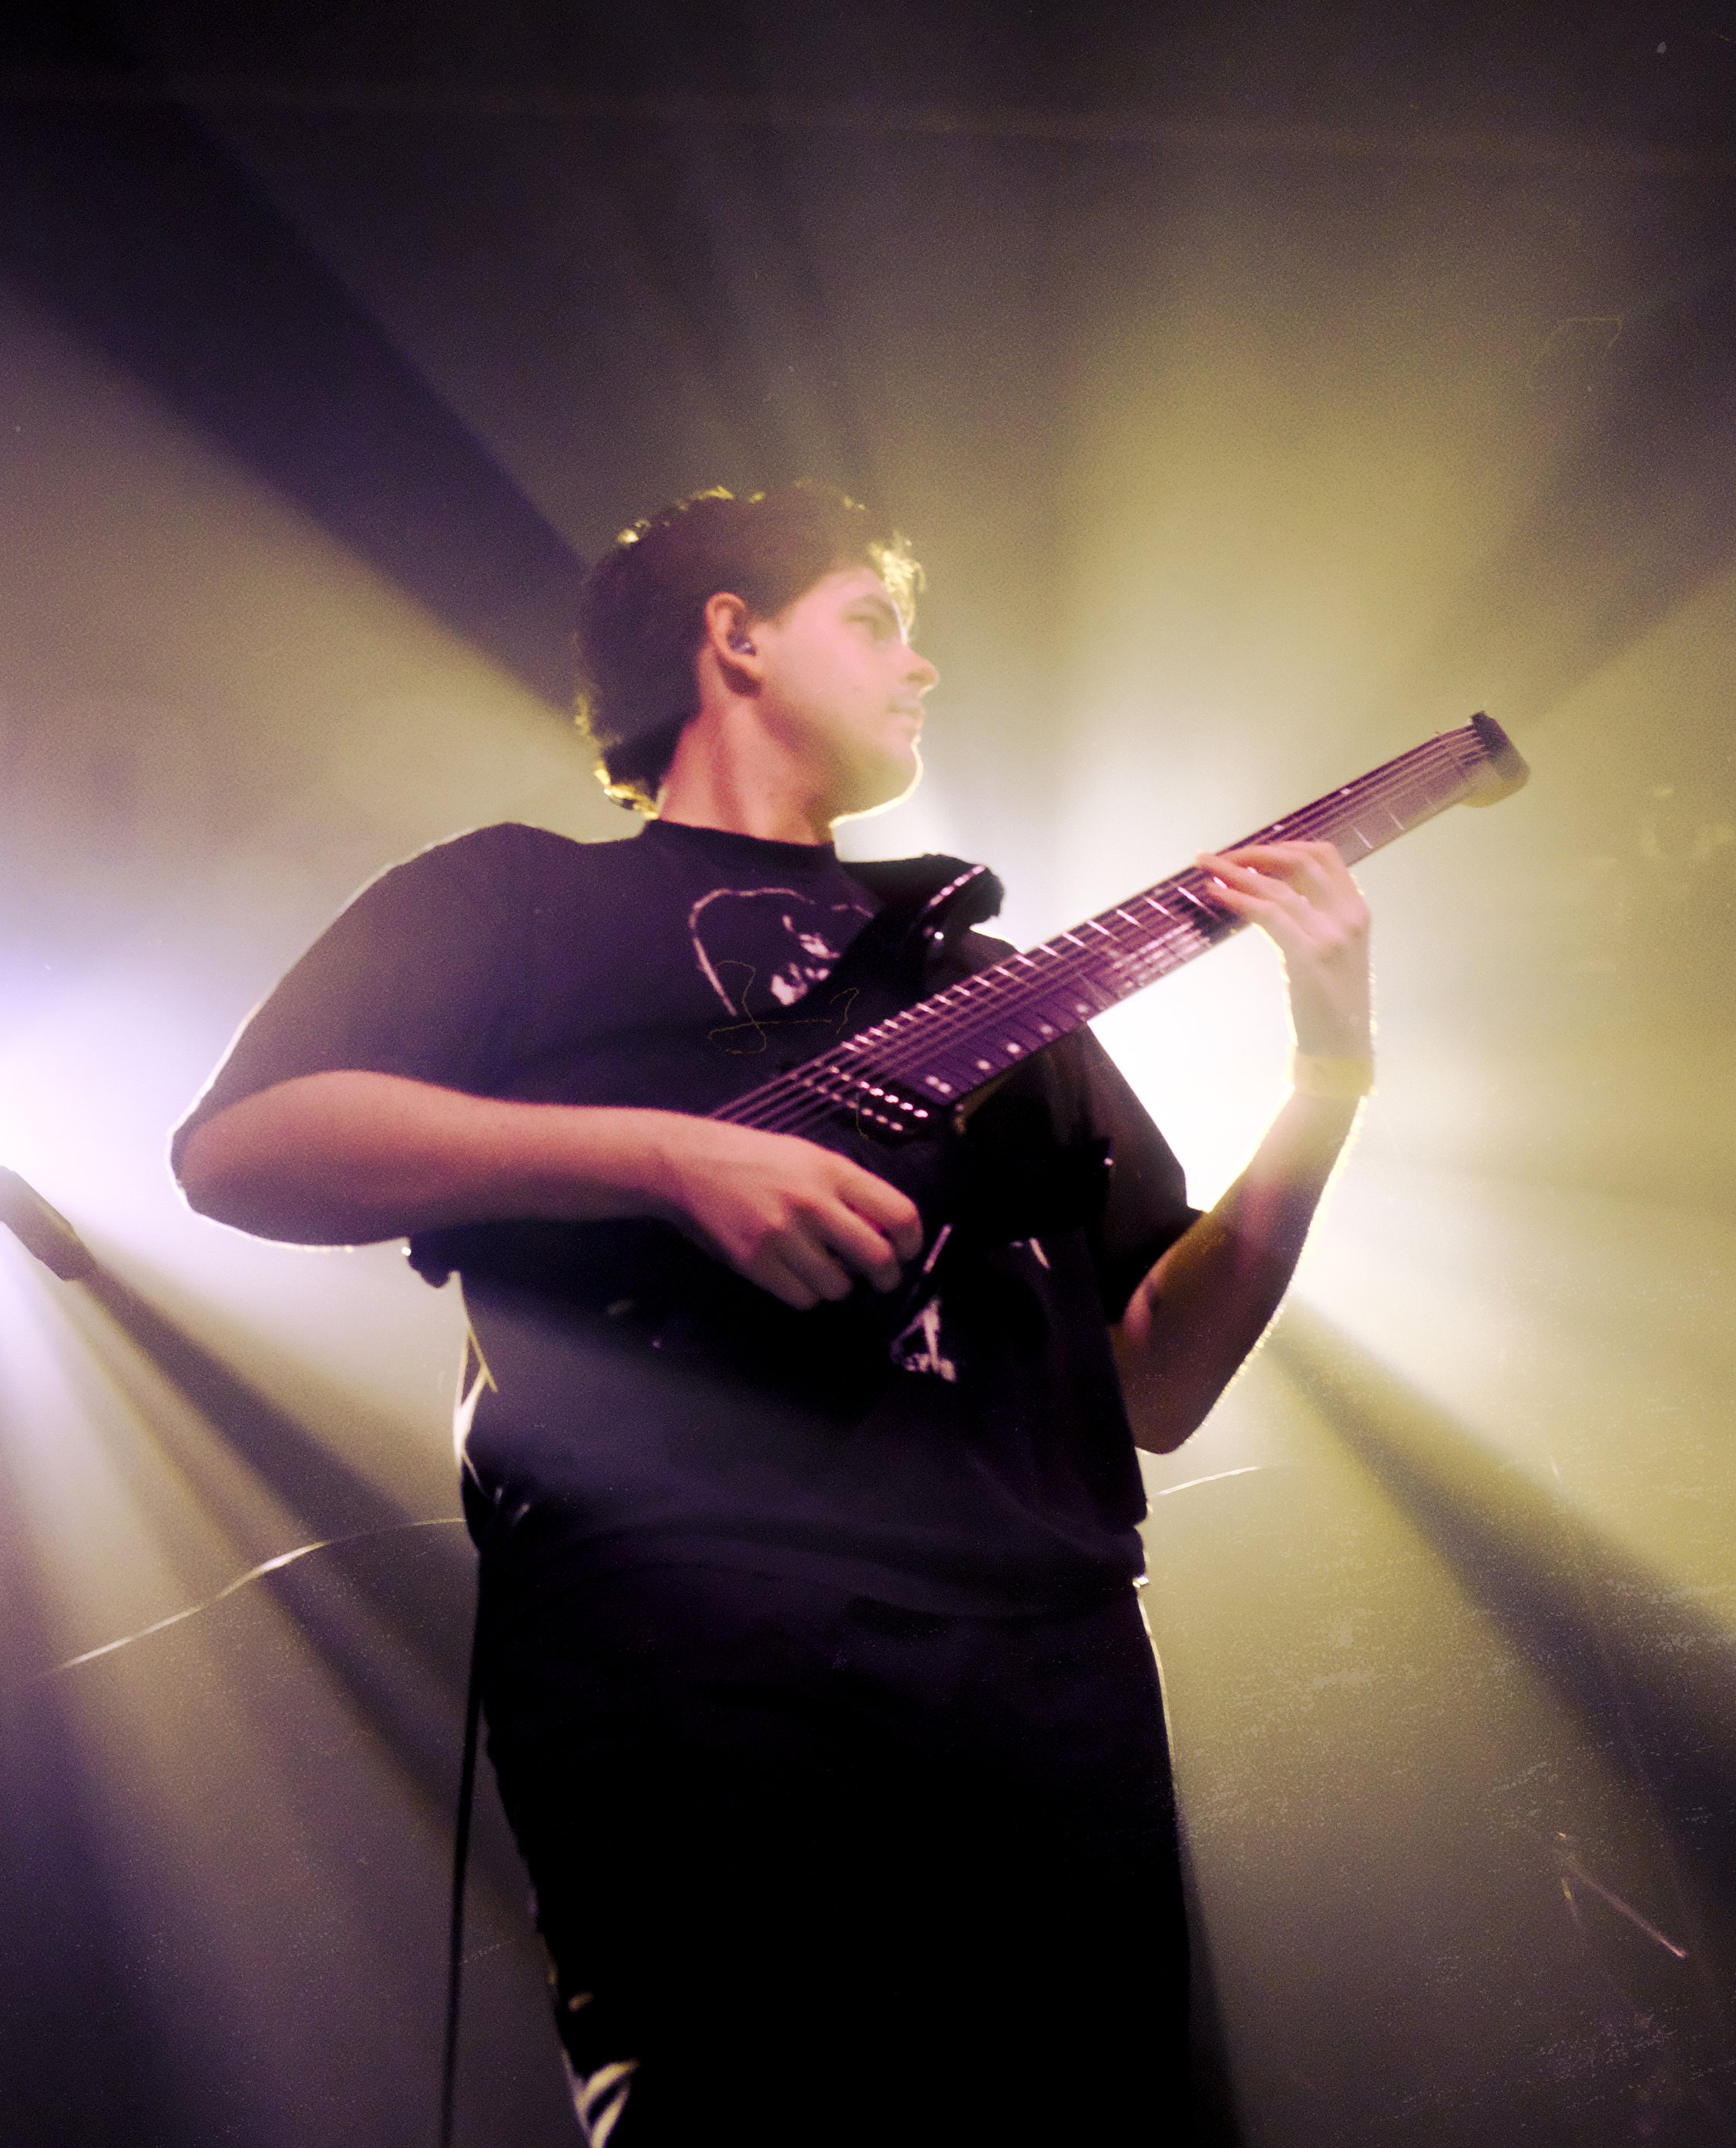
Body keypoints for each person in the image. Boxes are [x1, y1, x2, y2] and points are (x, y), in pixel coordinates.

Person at [174, 485, 1373, 2146]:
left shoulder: (991, 980)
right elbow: (242, 1149)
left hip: (1048, 1653)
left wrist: (1328, 1075)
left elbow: (1157, 1378)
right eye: (872, 620)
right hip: (694, 1643)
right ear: (731, 638)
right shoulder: (517, 899)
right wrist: (669, 1162)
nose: (921, 666)